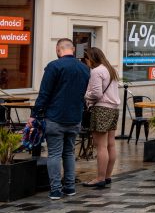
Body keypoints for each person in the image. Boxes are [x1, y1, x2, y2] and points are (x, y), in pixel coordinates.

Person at [30, 38, 90, 200]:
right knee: (69, 153)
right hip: (75, 117)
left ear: (58, 50)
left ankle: (56, 189)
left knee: (55, 154)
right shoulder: (85, 69)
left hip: (55, 117)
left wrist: (34, 115)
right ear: (72, 49)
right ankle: (70, 187)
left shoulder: (54, 66)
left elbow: (44, 94)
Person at [80, 47, 120, 189]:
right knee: (111, 144)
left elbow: (96, 94)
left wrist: (85, 95)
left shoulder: (96, 71)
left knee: (101, 146)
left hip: (102, 109)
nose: (86, 62)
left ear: (91, 58)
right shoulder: (111, 70)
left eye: (87, 59)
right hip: (114, 109)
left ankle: (100, 178)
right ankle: (107, 176)